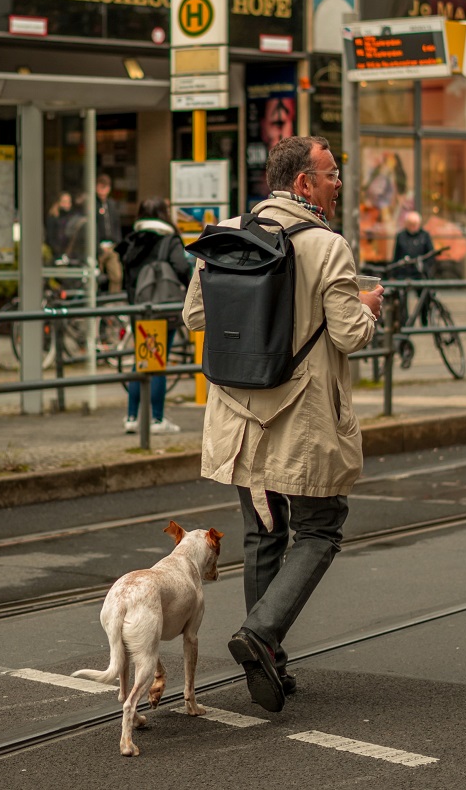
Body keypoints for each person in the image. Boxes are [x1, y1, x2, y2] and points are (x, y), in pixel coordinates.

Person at [183, 135, 383, 712]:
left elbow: (195, 315)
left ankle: (267, 661)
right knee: (321, 526)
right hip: (301, 417)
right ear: (303, 184)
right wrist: (367, 309)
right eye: (331, 173)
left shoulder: (224, 232)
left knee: (263, 534)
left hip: (240, 418)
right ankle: (262, 635)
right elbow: (349, 335)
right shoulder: (327, 246)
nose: (338, 182)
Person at [115, 197, 190, 435]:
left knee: (142, 361)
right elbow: (181, 268)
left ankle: (132, 417)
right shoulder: (168, 239)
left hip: (138, 307)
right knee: (157, 362)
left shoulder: (133, 240)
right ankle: (157, 419)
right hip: (161, 307)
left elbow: (126, 276)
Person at [392, 210, 435, 280]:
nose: (413, 227)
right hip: (403, 273)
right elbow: (396, 255)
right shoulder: (401, 236)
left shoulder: (424, 235)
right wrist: (393, 274)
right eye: (411, 224)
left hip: (420, 273)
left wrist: (425, 267)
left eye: (415, 224)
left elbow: (431, 255)